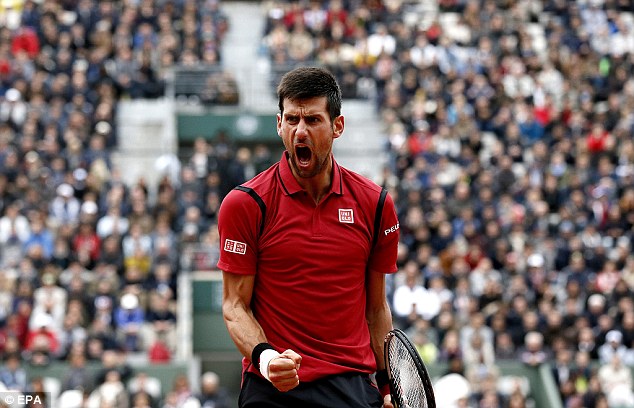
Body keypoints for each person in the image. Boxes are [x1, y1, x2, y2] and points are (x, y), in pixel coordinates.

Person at [217, 67, 400, 408]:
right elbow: (234, 305)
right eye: (292, 120)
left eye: (313, 120)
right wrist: (267, 359)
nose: (300, 131)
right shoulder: (244, 204)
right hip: (272, 388)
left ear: (337, 126)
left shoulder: (376, 205)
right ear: (278, 124)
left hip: (353, 388)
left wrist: (389, 387)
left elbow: (377, 310)